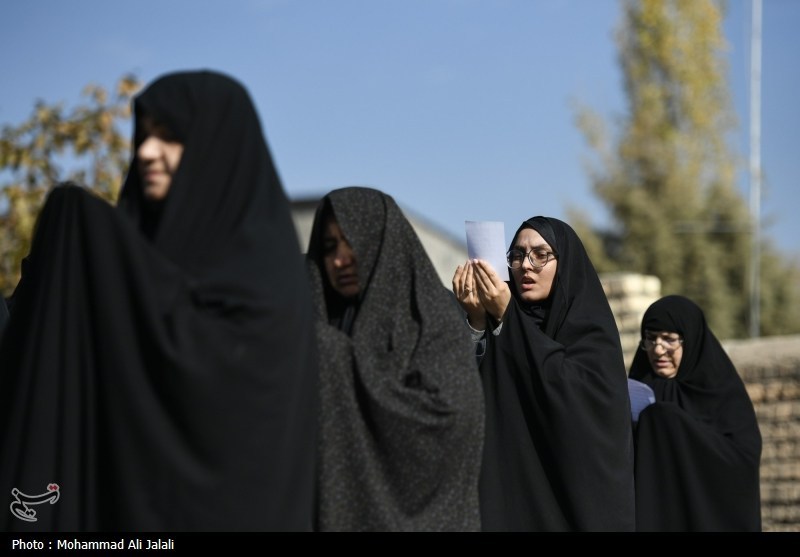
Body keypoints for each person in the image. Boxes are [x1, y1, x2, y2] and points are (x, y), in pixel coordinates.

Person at [0, 70, 318, 531]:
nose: (147, 151)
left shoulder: (263, 279)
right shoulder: (142, 263)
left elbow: (210, 393)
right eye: (144, 136)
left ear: (216, 149)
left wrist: (87, 235)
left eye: (170, 137)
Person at [306, 186, 484, 531]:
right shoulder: (315, 318)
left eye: (351, 241)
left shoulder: (429, 322)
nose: (341, 259)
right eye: (329, 247)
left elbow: (451, 422)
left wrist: (334, 358)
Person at [452, 216, 635, 531]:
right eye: (517, 255)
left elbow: (580, 404)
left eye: (540, 255)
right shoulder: (496, 323)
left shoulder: (591, 331)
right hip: (508, 498)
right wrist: (477, 322)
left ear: (564, 263)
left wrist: (508, 318)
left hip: (567, 503)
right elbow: (466, 393)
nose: (526, 266)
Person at [629, 295, 762, 531]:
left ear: (691, 340)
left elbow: (742, 460)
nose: (658, 350)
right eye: (650, 338)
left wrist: (668, 422)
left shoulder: (719, 390)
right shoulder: (639, 386)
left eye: (669, 340)